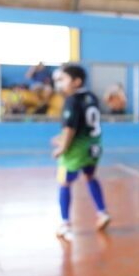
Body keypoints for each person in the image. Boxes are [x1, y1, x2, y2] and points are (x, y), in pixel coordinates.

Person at [51, 63, 109, 241]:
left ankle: (65, 223)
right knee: (90, 177)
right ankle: (102, 212)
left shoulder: (72, 100)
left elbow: (70, 128)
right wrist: (62, 138)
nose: (60, 83)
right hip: (94, 147)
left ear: (76, 81)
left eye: (63, 79)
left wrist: (62, 147)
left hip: (75, 151)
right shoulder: (92, 97)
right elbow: (85, 124)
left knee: (64, 183)